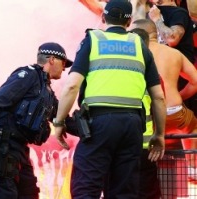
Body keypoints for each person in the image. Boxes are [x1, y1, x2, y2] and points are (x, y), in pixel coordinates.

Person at [53, 0, 166, 198]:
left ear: (103, 17)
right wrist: (160, 135)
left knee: (86, 187)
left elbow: (71, 86)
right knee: (124, 190)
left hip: (99, 125)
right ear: (129, 21)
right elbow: (158, 97)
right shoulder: (140, 46)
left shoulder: (92, 40)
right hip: (132, 127)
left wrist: (60, 121)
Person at [0, 42, 73, 199]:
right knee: (6, 190)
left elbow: (61, 117)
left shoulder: (46, 89)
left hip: (19, 146)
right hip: (4, 140)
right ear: (51, 59)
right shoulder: (28, 75)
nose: (64, 68)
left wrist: (92, 128)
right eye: (63, 62)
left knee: (28, 191)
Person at [132, 19, 197, 176]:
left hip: (148, 119)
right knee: (193, 127)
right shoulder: (174, 53)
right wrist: (177, 96)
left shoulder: (134, 54)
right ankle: (192, 168)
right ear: (156, 33)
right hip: (175, 113)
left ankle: (144, 172)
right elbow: (195, 82)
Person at [130, 27, 162, 199]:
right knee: (147, 192)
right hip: (145, 146)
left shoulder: (119, 71)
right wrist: (159, 135)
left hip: (119, 144)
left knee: (119, 188)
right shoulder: (152, 74)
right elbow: (159, 104)